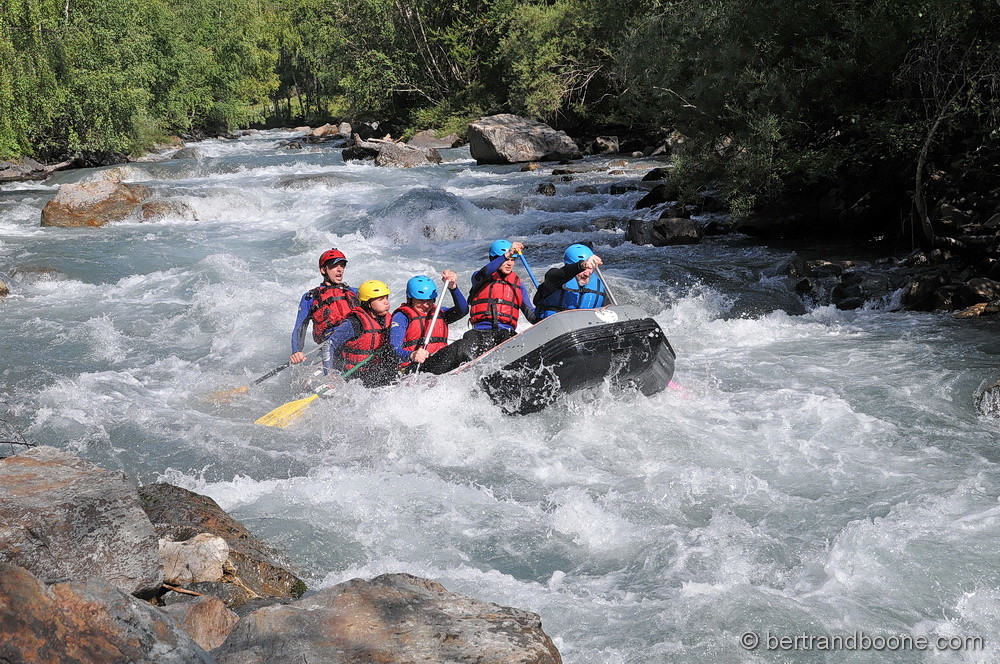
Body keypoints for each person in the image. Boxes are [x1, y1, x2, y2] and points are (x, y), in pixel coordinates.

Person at [389, 270, 468, 374]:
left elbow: (463, 310)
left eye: (429, 300)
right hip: (415, 367)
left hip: (439, 360)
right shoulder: (401, 317)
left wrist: (453, 288)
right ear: (410, 299)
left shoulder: (439, 312)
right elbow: (393, 350)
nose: (426, 305)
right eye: (421, 301)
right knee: (460, 347)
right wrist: (411, 355)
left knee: (468, 340)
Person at [322, 279, 397, 388]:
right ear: (369, 303)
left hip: (378, 371)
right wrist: (329, 374)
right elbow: (328, 345)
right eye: (380, 299)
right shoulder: (355, 323)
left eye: (386, 298)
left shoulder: (390, 320)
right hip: (354, 376)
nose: (386, 302)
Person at [289, 248, 359, 364]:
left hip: (356, 345)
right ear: (323, 270)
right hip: (329, 347)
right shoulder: (310, 298)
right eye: (334, 266)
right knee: (311, 381)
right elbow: (300, 327)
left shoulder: (355, 293)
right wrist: (296, 351)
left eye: (342, 266)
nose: (339, 270)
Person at [533, 244, 606, 319]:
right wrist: (581, 265)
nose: (587, 274)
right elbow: (558, 274)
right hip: (552, 327)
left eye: (590, 269)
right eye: (583, 270)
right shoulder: (554, 279)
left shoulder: (599, 285)